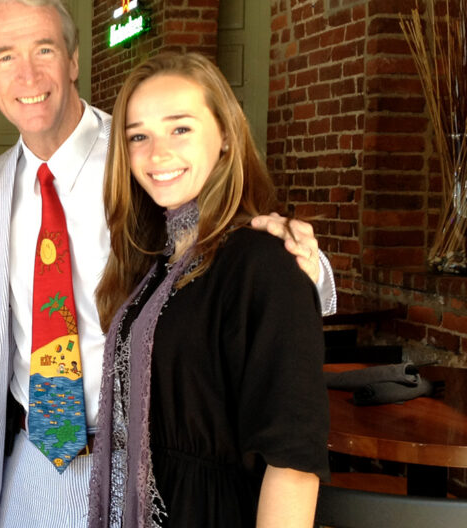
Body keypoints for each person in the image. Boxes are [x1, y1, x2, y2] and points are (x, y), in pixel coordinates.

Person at [0, 0, 336, 527]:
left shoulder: (143, 157)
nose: (28, 74)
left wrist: (310, 269)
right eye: (5, 56)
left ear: (72, 61)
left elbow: (237, 246)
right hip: (38, 445)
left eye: (44, 49)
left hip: (142, 454)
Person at [87, 51, 328, 527]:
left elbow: (294, 462)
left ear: (224, 137)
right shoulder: (156, 262)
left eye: (180, 128)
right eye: (139, 136)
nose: (158, 153)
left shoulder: (264, 260)